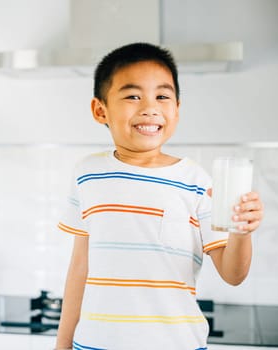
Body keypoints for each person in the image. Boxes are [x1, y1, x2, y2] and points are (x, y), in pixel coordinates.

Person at [55, 42, 264, 350]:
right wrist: (62, 344)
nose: (149, 107)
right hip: (94, 344)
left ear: (177, 110)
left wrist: (242, 232)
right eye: (132, 96)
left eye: (162, 96)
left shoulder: (196, 181)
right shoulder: (87, 174)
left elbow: (233, 274)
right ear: (100, 110)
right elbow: (79, 268)